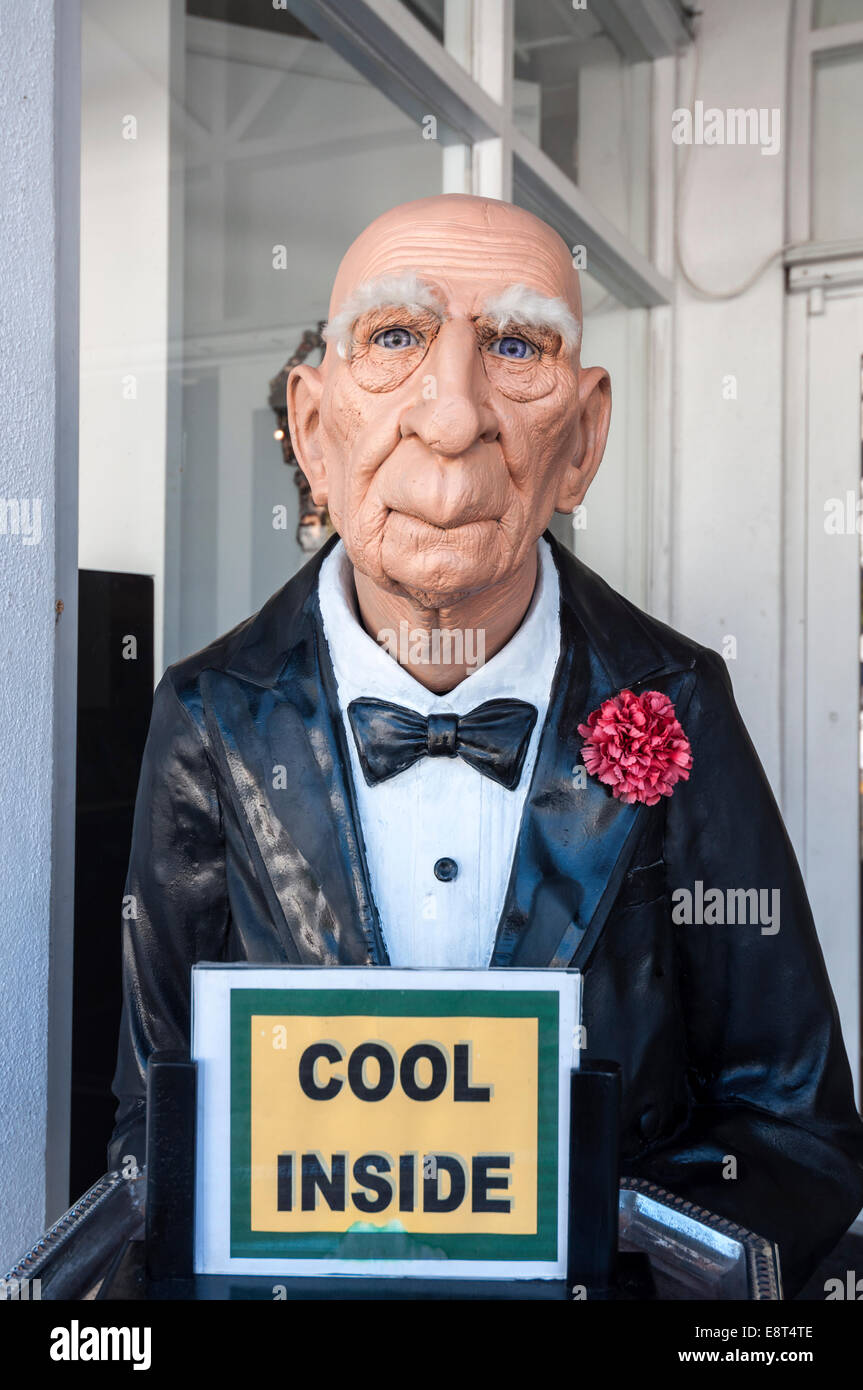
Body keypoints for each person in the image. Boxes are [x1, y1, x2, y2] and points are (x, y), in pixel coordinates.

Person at [110, 194, 863, 1297]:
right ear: (315, 433)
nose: (451, 416)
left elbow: (794, 1130)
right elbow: (153, 1116)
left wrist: (587, 1243)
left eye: (515, 346)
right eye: (396, 338)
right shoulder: (210, 715)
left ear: (583, 440)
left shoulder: (678, 699)